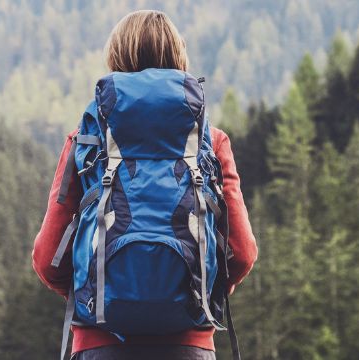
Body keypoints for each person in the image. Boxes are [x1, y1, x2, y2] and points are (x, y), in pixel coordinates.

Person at [31, 10, 258, 360]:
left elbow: (47, 259)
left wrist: (100, 295)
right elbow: (242, 253)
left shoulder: (86, 141)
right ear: (178, 59)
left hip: (98, 345)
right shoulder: (211, 142)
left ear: (116, 58)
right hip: (189, 345)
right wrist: (194, 296)